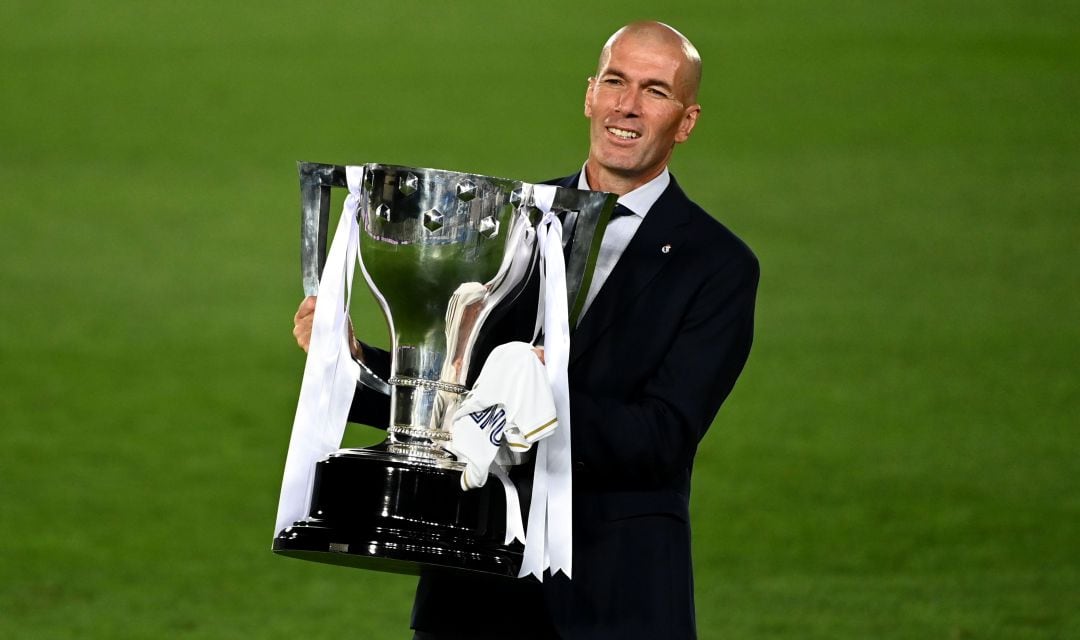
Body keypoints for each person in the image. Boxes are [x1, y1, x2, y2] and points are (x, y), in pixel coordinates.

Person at [293, 21, 758, 640]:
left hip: (614, 601)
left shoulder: (717, 265)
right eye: (616, 82)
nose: (627, 106)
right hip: (472, 592)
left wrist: (538, 400)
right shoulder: (509, 224)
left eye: (655, 91)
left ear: (687, 119)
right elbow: (455, 399)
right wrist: (353, 362)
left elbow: (663, 439)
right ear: (590, 93)